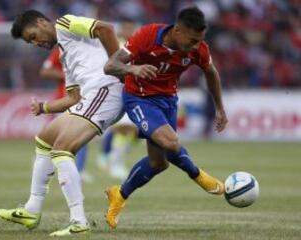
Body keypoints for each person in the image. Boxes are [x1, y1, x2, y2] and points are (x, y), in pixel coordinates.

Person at [0, 10, 123, 236]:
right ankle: (32, 209)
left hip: (107, 89)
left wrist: (119, 66)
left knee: (61, 149)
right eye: (30, 42)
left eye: (33, 36)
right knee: (44, 139)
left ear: (42, 22)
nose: (35, 43)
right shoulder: (65, 54)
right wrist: (44, 107)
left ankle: (79, 221)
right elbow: (73, 98)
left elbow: (106, 29)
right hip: (94, 95)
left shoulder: (65, 23)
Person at [103, 6, 228, 229]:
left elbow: (211, 72)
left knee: (158, 163)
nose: (196, 46)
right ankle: (198, 175)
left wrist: (220, 107)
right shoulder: (147, 36)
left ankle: (118, 195)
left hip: (168, 100)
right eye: (192, 40)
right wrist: (134, 70)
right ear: (177, 31)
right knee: (171, 143)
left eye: (199, 41)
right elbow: (110, 66)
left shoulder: (197, 50)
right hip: (139, 98)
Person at [40, 47, 93, 183]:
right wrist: (70, 75)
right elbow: (46, 72)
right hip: (65, 100)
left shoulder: (90, 48)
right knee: (59, 137)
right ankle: (45, 164)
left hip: (85, 100)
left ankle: (78, 171)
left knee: (82, 136)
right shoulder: (62, 48)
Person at [96, 18, 138, 179]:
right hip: (117, 90)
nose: (128, 31)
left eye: (131, 28)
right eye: (126, 28)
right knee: (123, 128)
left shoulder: (136, 45)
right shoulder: (115, 45)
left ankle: (109, 156)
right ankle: (115, 163)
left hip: (134, 90)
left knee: (133, 132)